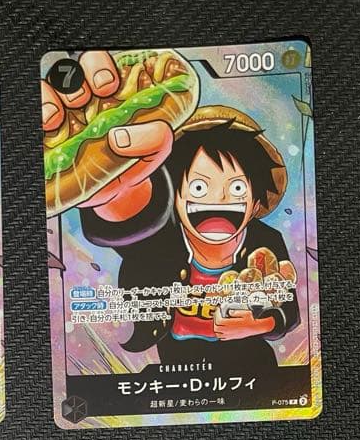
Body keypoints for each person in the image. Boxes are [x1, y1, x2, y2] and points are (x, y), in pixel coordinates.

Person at [41, 52, 301, 393]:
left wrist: (258, 324)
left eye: (237, 189)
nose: (218, 201)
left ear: (255, 202)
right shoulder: (166, 238)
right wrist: (111, 181)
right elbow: (135, 221)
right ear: (177, 194)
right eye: (199, 187)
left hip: (253, 372)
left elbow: (289, 309)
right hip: (175, 373)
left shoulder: (266, 242)